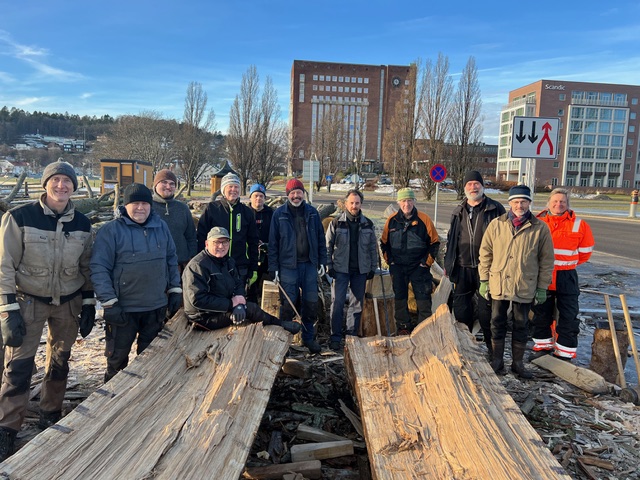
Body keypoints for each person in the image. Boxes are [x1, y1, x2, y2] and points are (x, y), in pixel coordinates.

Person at [0, 161, 95, 460]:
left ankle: (50, 413)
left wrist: (89, 302)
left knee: (61, 360)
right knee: (18, 366)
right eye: (55, 180)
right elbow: (3, 265)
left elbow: (87, 267)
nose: (61, 186)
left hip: (67, 303)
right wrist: (8, 309)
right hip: (28, 301)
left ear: (74, 188)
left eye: (67, 182)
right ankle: (7, 428)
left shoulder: (82, 224)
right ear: (45, 184)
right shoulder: (19, 217)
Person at [91, 183, 182, 382]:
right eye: (135, 203)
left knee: (150, 359)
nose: (140, 208)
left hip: (155, 307)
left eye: (144, 203)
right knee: (117, 360)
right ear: (126, 205)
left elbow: (171, 258)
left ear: (151, 205)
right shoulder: (111, 231)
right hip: (123, 310)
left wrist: (175, 289)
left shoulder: (161, 227)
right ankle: (111, 400)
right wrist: (109, 302)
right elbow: (99, 268)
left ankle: (144, 399)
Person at [478, 184, 555, 379]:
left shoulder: (540, 228)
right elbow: (485, 253)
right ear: (510, 203)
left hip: (524, 283)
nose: (519, 205)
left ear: (529, 203)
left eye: (523, 201)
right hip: (499, 282)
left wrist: (542, 287)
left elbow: (546, 260)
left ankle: (518, 364)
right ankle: (497, 361)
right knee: (497, 321)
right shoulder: (497, 224)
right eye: (515, 202)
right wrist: (484, 279)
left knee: (521, 324)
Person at [183, 226, 300, 334]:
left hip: (221, 307)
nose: (221, 246)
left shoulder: (228, 261)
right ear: (207, 244)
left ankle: (279, 325)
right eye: (217, 242)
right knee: (251, 309)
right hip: (203, 317)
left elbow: (238, 282)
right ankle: (280, 325)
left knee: (249, 307)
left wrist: (239, 299)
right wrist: (230, 304)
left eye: (225, 242)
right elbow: (198, 300)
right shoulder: (197, 266)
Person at [444, 171, 505, 355]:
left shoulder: (495, 209)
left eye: (476, 183)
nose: (473, 187)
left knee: (487, 311)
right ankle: (466, 344)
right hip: (462, 267)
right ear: (464, 188)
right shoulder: (458, 211)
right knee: (461, 309)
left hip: (486, 268)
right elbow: (452, 238)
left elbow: (504, 239)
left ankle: (491, 349)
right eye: (469, 184)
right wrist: (448, 264)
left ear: (482, 186)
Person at [531, 188, 595, 360]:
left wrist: (567, 263)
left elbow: (585, 253)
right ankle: (543, 348)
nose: (558, 204)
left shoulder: (579, 224)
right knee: (541, 312)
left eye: (562, 202)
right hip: (543, 275)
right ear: (549, 203)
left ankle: (564, 353)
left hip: (566, 276)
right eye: (555, 201)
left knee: (568, 313)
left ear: (567, 204)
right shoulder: (538, 221)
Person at [269, 178, 327, 354]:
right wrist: (274, 268)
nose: (296, 196)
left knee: (310, 303)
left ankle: (308, 338)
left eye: (299, 192)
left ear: (303, 193)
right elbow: (273, 243)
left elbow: (320, 239)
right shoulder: (279, 214)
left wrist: (322, 261)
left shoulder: (312, 213)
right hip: (287, 266)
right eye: (292, 193)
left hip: (309, 264)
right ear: (288, 195)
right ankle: (283, 342)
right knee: (288, 304)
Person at [380, 187, 440, 333]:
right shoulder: (391, 220)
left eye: (409, 200)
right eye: (403, 201)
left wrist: (426, 263)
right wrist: (391, 262)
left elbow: (435, 243)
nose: (406, 204)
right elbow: (384, 243)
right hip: (398, 267)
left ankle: (423, 329)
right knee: (400, 298)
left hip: (419, 267)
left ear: (414, 201)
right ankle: (403, 327)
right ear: (399, 202)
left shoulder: (424, 219)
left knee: (423, 299)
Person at [325, 190, 377, 351]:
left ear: (361, 204)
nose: (354, 206)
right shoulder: (336, 223)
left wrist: (372, 268)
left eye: (357, 203)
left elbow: (373, 248)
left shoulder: (368, 224)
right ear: (346, 204)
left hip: (360, 270)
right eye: (351, 203)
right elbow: (327, 246)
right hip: (340, 269)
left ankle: (351, 336)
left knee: (356, 304)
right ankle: (335, 337)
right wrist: (329, 266)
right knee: (338, 303)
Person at [196, 173, 258, 287]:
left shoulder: (247, 212)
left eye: (236, 187)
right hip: (215, 264)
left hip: (240, 265)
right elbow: (201, 237)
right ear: (224, 189)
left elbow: (253, 241)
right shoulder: (212, 209)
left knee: (238, 299)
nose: (233, 190)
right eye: (230, 186)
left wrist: (253, 267)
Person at [152, 169, 197, 272]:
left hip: (180, 265)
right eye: (164, 182)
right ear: (155, 185)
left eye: (172, 184)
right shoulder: (147, 207)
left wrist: (191, 257)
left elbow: (191, 236)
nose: (168, 186)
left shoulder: (182, 208)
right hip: (154, 266)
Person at [246, 183, 274, 304]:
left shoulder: (271, 213)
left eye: (261, 196)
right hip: (250, 254)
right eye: (256, 196)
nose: (258, 199)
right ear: (251, 197)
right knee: (251, 283)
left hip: (267, 254)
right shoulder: (245, 212)